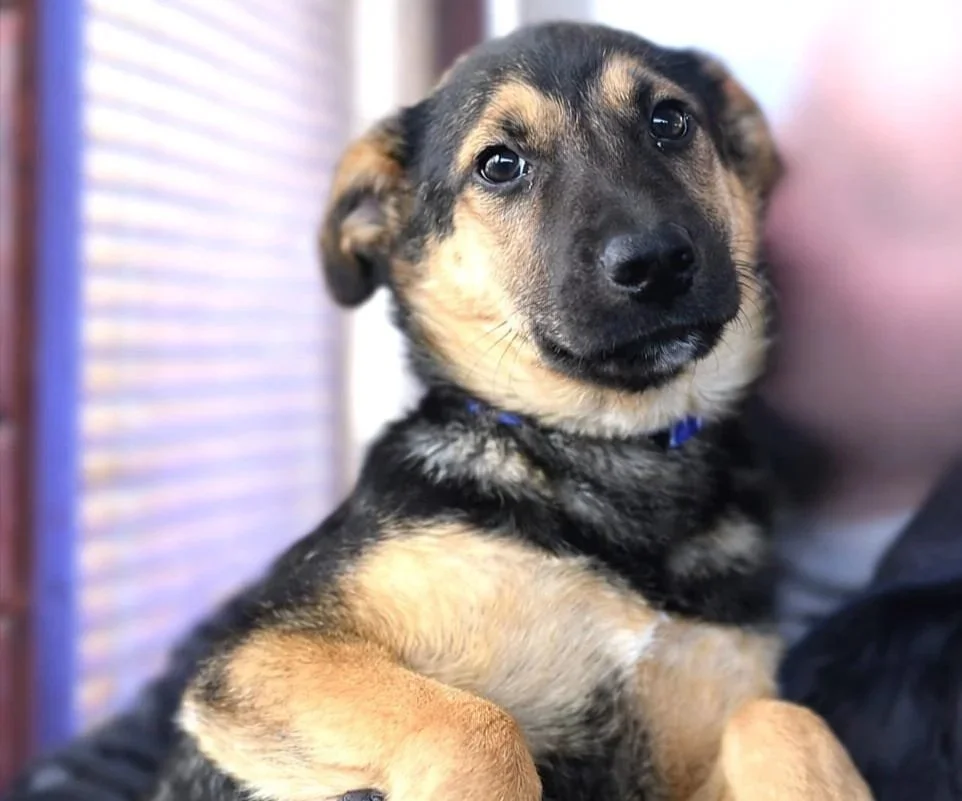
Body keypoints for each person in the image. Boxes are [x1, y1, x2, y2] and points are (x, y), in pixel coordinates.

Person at [7, 8, 962, 800]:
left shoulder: (751, 541)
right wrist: (455, 749)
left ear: (742, 167)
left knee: (771, 729)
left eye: (666, 127)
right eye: (503, 166)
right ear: (393, 233)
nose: (642, 237)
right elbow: (237, 686)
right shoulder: (420, 521)